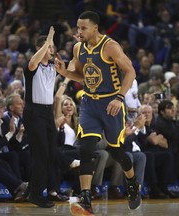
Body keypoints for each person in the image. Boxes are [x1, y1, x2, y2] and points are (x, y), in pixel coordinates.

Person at [55, 11, 141, 215]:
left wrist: (119, 98)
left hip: (111, 103)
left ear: (95, 28)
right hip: (89, 104)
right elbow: (83, 77)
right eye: (77, 27)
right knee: (86, 148)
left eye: (83, 28)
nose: (79, 31)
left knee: (117, 151)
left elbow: (130, 72)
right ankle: (86, 198)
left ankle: (132, 182)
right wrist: (64, 72)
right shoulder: (78, 48)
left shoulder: (110, 46)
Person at [22, 26, 57, 208]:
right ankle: (36, 194)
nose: (52, 50)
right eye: (50, 47)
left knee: (51, 154)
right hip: (33, 112)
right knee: (41, 154)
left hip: (48, 113)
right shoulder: (31, 67)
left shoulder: (53, 66)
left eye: (52, 47)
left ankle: (31, 189)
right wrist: (48, 38)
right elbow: (33, 62)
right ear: (40, 48)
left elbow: (73, 67)